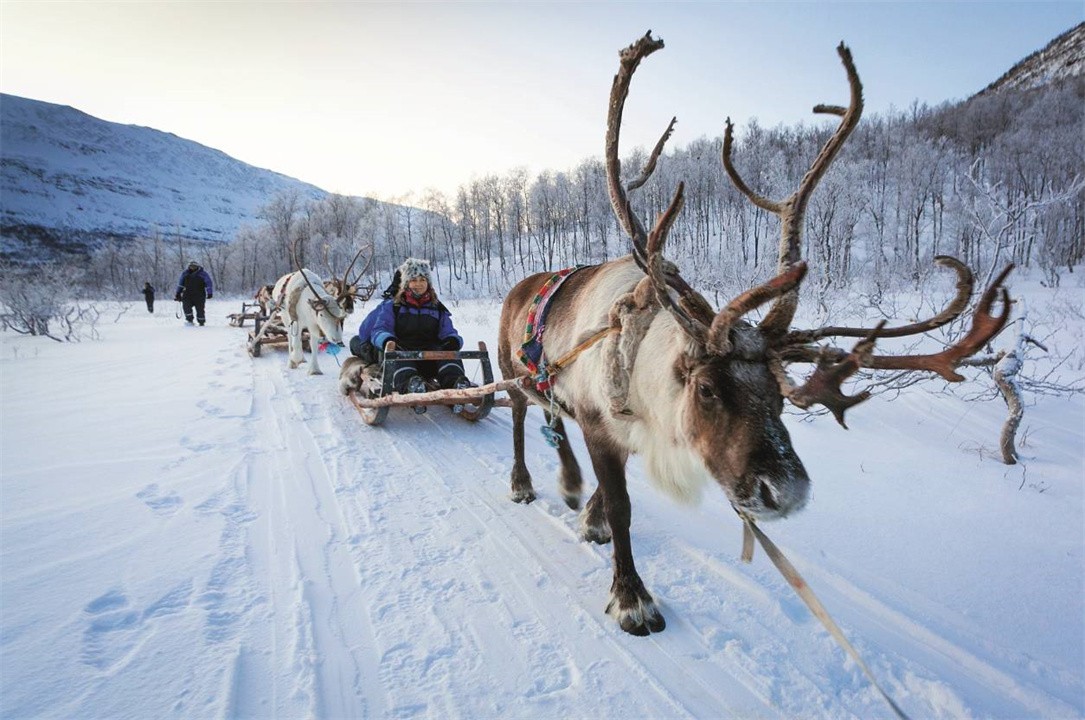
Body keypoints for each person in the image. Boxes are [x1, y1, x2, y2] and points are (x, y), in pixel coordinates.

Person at [350, 257, 472, 414]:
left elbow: (448, 330)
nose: (419, 284)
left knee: (449, 356)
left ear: (428, 283)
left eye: (423, 279)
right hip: (403, 353)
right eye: (414, 280)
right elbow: (379, 329)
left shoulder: (437, 308)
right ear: (406, 283)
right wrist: (388, 339)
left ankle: (456, 385)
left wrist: (452, 340)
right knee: (399, 357)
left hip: (428, 357)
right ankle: (412, 387)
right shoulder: (393, 306)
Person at [174, 259, 213, 326]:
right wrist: (178, 293)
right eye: (191, 266)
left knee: (200, 309)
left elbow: (208, 283)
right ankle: (189, 320)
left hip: (199, 295)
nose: (192, 267)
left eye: (194, 266)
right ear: (189, 267)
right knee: (186, 307)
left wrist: (209, 293)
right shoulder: (185, 273)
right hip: (187, 294)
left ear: (197, 266)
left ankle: (201, 322)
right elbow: (180, 284)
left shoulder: (203, 274)